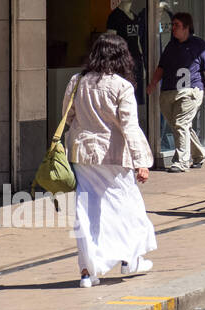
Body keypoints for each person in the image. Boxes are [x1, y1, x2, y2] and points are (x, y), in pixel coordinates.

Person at [63, 33, 156, 287]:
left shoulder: (77, 80)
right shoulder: (121, 86)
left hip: (82, 155)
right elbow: (130, 127)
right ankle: (131, 259)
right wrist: (141, 162)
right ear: (121, 57)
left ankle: (87, 271)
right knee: (128, 206)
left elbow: (67, 117)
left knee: (86, 211)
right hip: (114, 156)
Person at [148, 12, 205, 172]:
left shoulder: (199, 45)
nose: (173, 28)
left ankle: (181, 161)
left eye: (176, 25)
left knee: (181, 124)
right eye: (172, 25)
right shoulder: (171, 46)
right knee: (181, 126)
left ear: (186, 27)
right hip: (169, 92)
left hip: (190, 91)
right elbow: (161, 67)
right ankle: (199, 154)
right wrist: (153, 83)